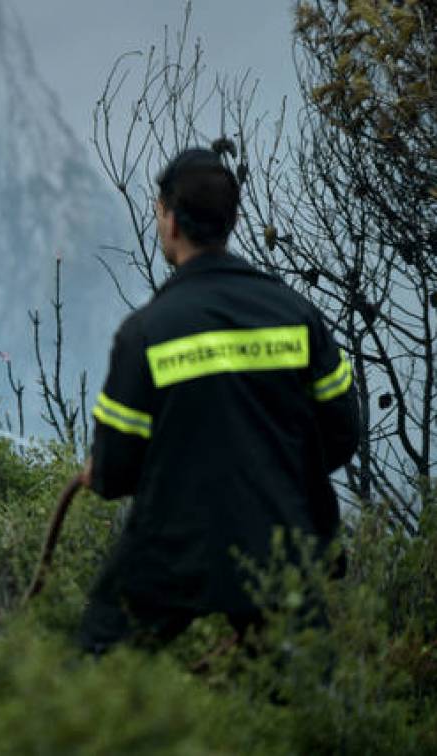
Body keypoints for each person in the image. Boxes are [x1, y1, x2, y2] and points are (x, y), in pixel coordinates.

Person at [78, 147, 359, 654]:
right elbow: (341, 433)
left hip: (174, 547)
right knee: (303, 694)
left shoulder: (146, 333)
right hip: (283, 540)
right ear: (229, 220)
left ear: (169, 219)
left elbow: (115, 470)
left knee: (101, 661)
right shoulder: (297, 315)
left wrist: (99, 471)